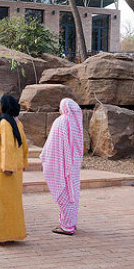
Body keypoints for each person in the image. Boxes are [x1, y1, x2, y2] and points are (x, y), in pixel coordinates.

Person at [40, 98, 84, 236]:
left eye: (61, 106)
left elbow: (52, 145)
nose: (60, 109)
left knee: (64, 194)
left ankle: (67, 226)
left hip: (62, 167)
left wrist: (44, 156)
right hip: (73, 167)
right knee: (72, 195)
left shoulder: (61, 121)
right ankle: (70, 222)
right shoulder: (76, 123)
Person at [0, 94, 28, 244]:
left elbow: (6, 146)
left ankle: (0, 236)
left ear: (3, 105)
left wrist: (7, 167)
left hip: (4, 170)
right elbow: (24, 146)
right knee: (14, 205)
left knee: (1, 205)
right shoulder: (17, 123)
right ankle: (14, 233)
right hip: (15, 170)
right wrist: (21, 163)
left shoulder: (5, 123)